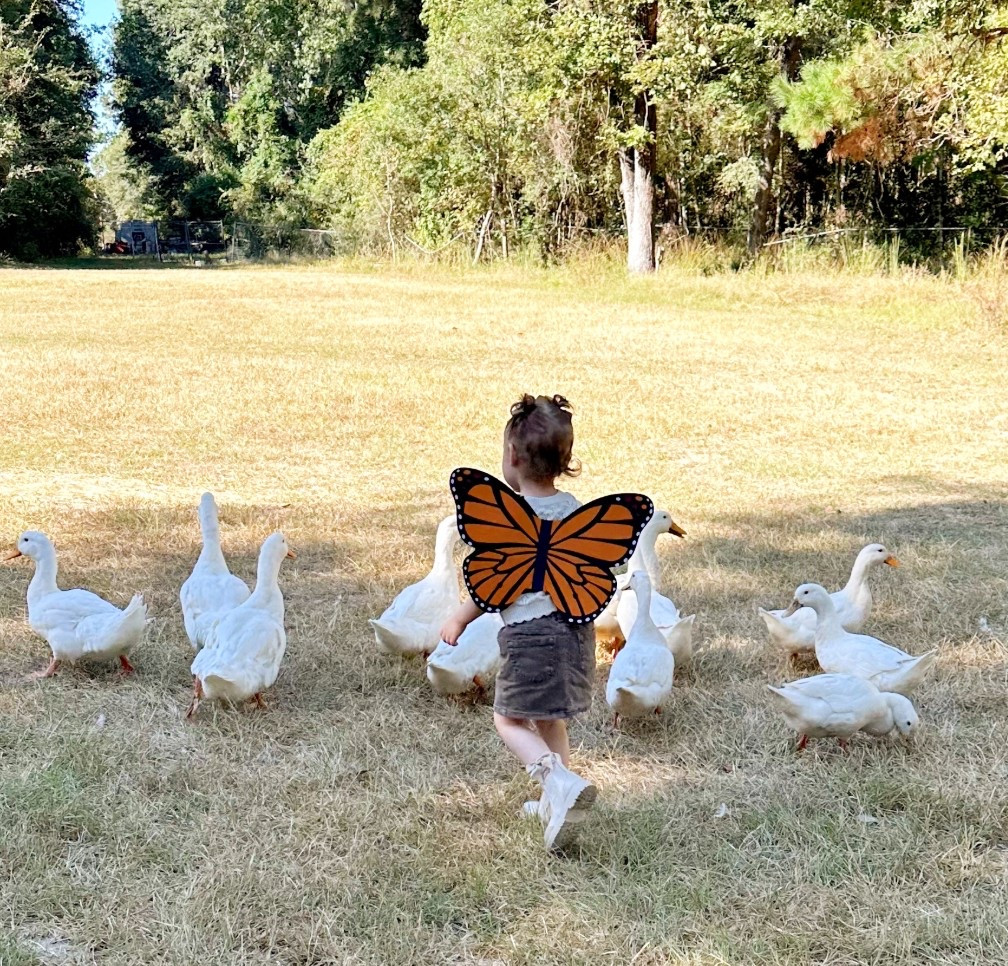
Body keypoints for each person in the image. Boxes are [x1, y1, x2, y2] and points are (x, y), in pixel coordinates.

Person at [440, 393, 598, 850]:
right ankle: (558, 802)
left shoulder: (510, 521)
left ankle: (559, 786)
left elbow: (495, 586)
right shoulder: (576, 513)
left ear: (511, 457)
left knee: (509, 720)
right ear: (564, 462)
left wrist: (459, 618)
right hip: (574, 633)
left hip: (530, 636)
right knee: (551, 720)